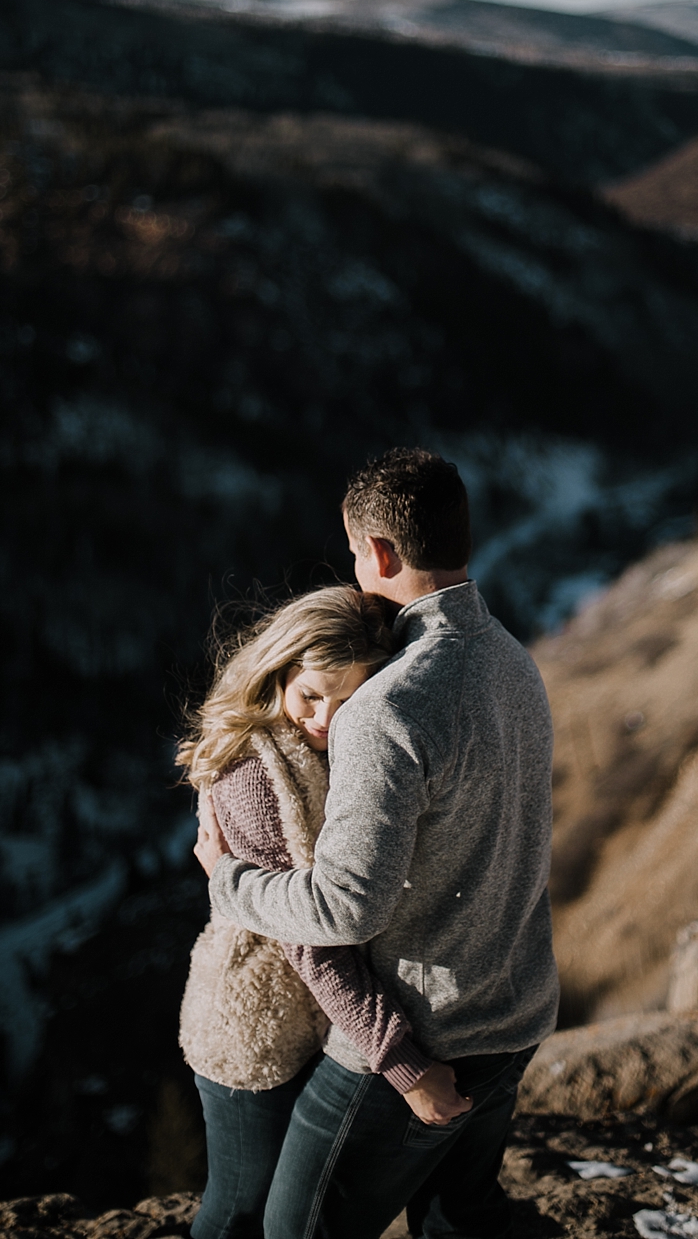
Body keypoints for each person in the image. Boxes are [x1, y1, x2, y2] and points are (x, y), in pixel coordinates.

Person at [198, 448, 559, 1239]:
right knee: (458, 1218)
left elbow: (343, 907)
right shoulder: (516, 663)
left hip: (424, 1032)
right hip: (521, 1007)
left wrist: (226, 878)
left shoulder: (383, 708)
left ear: (382, 553)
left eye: (356, 552)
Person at [178, 585, 470, 1239]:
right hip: (251, 1028)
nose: (323, 718)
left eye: (347, 701)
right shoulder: (253, 775)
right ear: (279, 669)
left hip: (320, 1022)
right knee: (238, 1210)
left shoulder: (343, 744)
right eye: (311, 694)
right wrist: (403, 1064)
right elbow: (307, 941)